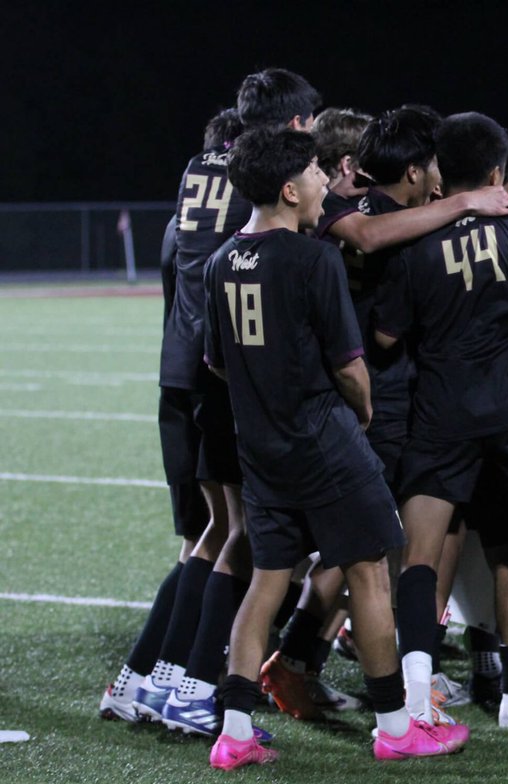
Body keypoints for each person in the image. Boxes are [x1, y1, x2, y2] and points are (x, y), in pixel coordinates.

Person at [203, 126, 465, 770]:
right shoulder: (313, 259)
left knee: (268, 581)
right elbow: (351, 367)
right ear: (290, 190)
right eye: (318, 174)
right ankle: (396, 726)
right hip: (324, 440)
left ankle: (234, 732)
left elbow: (217, 363)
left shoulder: (217, 262)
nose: (329, 182)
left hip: (261, 448)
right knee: (370, 571)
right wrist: (365, 410)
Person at [101, 68, 319, 726]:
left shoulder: (202, 167)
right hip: (226, 376)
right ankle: (193, 687)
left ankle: (145, 679)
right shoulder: (258, 178)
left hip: (187, 371)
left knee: (211, 533)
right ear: (294, 126)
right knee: (246, 538)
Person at [372, 112, 508, 733]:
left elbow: (387, 333)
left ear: (441, 171)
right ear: (501, 173)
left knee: (421, 555)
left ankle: (415, 693)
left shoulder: (415, 240)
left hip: (443, 409)